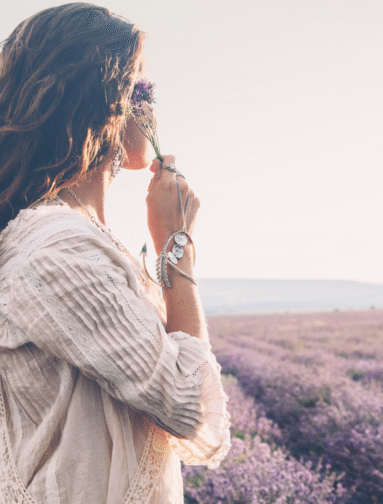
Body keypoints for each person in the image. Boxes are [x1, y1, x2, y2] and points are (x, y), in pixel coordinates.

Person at [0, 4, 230, 504]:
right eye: (141, 87)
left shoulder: (78, 237)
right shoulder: (56, 250)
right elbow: (190, 408)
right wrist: (176, 247)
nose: (151, 103)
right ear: (104, 103)